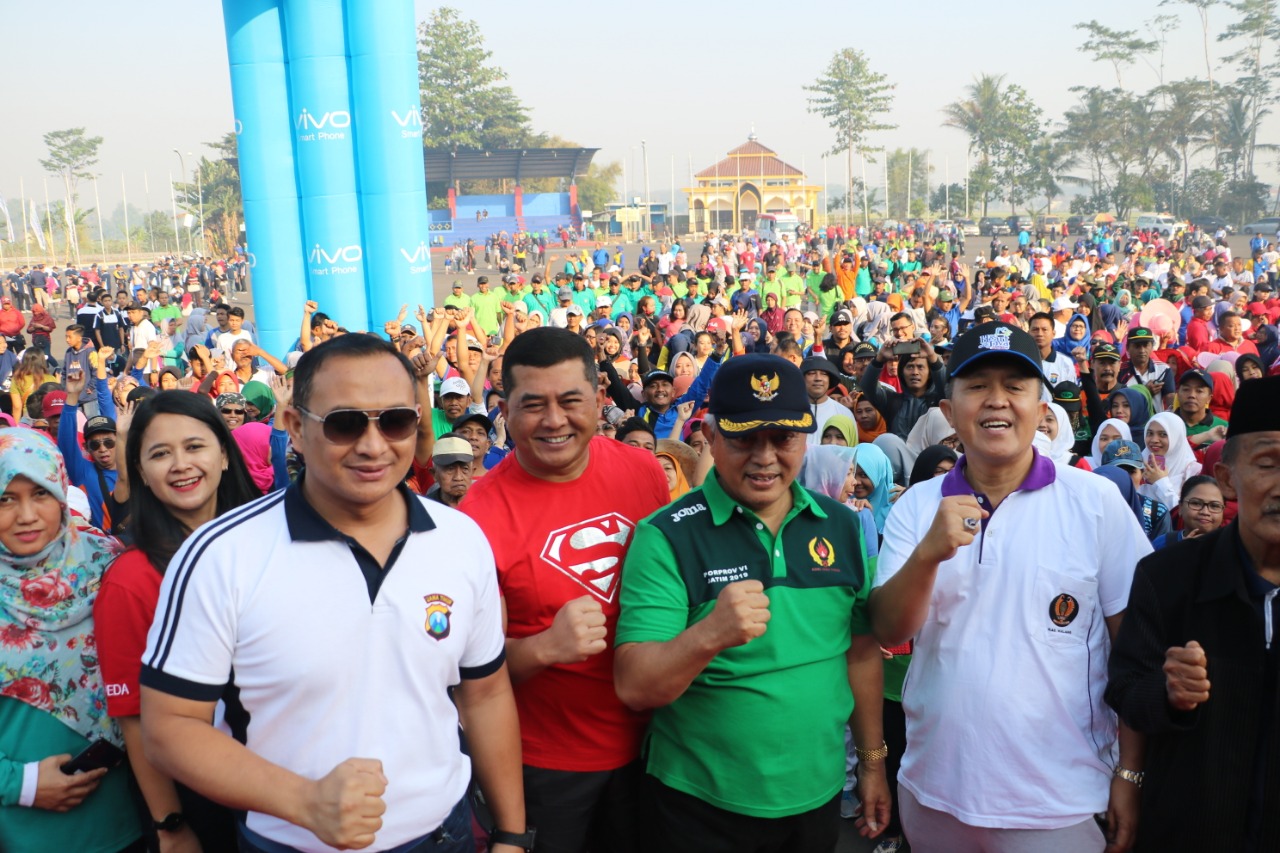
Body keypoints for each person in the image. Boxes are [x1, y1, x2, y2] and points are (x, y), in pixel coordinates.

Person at [139, 334, 529, 853]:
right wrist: (304, 802)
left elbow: (485, 693)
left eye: (395, 421)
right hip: (289, 842)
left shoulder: (461, 540)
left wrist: (511, 834)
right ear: (295, 428)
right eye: (345, 424)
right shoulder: (219, 554)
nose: (373, 445)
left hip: (444, 833)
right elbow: (169, 729)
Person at [870, 321, 1150, 852]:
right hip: (934, 791)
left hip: (1059, 802)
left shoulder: (1095, 503)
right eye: (976, 386)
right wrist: (928, 554)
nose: (996, 400)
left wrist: (1131, 774)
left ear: (1042, 408)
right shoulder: (916, 506)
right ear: (948, 413)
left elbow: (1133, 648)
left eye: (1015, 386)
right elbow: (888, 628)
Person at [613, 353, 889, 852]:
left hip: (817, 795)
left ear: (805, 439)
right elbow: (635, 685)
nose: (765, 457)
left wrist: (872, 764)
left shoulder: (842, 526)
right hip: (699, 807)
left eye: (783, 439)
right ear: (711, 438)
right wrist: (708, 634)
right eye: (744, 438)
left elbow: (862, 652)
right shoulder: (665, 536)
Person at [460, 327, 668, 853]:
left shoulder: (643, 470)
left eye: (570, 401)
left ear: (601, 400)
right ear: (505, 410)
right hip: (544, 765)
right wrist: (545, 648)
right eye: (533, 405)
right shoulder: (478, 517)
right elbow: (467, 677)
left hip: (657, 747)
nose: (554, 421)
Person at [1106, 374, 1280, 850]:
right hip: (1187, 828)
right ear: (1227, 478)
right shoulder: (1167, 576)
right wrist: (1168, 691)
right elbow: (1124, 689)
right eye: (1267, 464)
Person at [94, 391, 260, 850]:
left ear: (224, 455)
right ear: (141, 473)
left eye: (194, 446)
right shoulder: (131, 578)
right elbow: (133, 716)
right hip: (201, 796)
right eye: (160, 454)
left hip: (286, 779)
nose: (180, 465)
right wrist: (171, 826)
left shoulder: (269, 543)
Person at [0, 428, 141, 852]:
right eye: (5, 499)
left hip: (134, 814)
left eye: (40, 494)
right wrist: (20, 785)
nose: (26, 515)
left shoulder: (107, 562)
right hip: (27, 830)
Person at [1150, 474, 1226, 549]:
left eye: (1214, 506)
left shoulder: (1232, 548)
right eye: (1196, 503)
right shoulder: (1162, 544)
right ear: (1180, 507)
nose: (1205, 512)